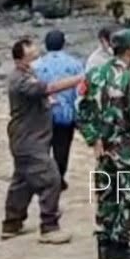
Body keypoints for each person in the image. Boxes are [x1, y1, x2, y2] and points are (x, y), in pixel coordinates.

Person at [77, 29, 130, 259]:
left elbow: (82, 110)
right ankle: (120, 245)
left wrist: (93, 138)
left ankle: (104, 245)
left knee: (107, 195)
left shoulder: (94, 74)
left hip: (104, 149)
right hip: (128, 148)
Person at [1, 36, 83, 244]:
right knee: (51, 179)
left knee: (22, 182)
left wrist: (48, 103)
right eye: (31, 53)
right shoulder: (21, 80)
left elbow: (42, 95)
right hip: (30, 141)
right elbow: (48, 88)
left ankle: (12, 224)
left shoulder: (27, 74)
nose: (36, 55)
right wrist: (79, 79)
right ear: (20, 59)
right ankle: (49, 226)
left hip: (26, 139)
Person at [33, 29, 85, 191]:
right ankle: (59, 177)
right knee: (62, 148)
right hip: (65, 113)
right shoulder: (75, 64)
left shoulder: (36, 66)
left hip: (42, 114)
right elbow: (80, 92)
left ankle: (43, 178)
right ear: (64, 44)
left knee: (42, 147)